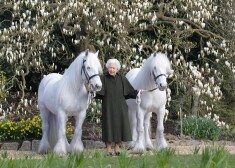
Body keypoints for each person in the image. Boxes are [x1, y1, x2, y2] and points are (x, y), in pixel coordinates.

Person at [95, 58, 142, 155]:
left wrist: (138, 92)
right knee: (108, 127)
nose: (112, 70)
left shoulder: (122, 78)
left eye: (114, 68)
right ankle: (108, 148)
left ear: (117, 69)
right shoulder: (103, 78)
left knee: (120, 127)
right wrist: (91, 91)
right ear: (107, 68)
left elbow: (129, 92)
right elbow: (98, 93)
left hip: (121, 107)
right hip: (108, 107)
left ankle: (117, 147)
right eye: (110, 68)